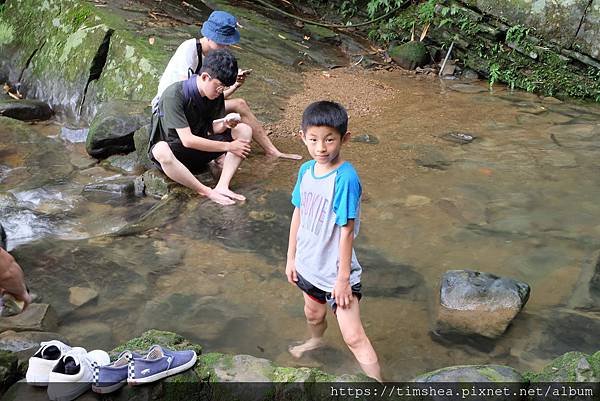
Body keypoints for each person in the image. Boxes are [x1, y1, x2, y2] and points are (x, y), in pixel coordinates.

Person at [284, 101, 382, 381]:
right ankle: (315, 340)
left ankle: (381, 387)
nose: (321, 148)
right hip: (308, 264)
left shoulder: (345, 178)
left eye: (329, 139)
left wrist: (342, 280)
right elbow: (298, 213)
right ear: (302, 137)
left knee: (353, 337)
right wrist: (291, 258)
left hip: (337, 273)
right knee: (313, 314)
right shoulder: (306, 171)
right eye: (313, 140)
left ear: (344, 138)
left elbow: (347, 231)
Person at [153, 10, 301, 161]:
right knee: (232, 112)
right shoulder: (188, 50)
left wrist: (234, 85)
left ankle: (271, 150)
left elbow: (210, 96)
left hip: (197, 105)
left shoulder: (213, 59)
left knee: (240, 104)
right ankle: (215, 153)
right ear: (209, 36)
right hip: (172, 110)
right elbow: (191, 98)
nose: (224, 48)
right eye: (221, 43)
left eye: (227, 44)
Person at [149, 49, 251, 206]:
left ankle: (223, 186)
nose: (221, 91)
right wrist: (229, 146)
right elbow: (187, 140)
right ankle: (206, 191)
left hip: (200, 150)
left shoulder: (214, 95)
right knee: (160, 150)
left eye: (224, 87)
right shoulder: (173, 95)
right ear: (205, 77)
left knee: (244, 129)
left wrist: (224, 124)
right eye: (220, 86)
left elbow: (210, 130)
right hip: (176, 154)